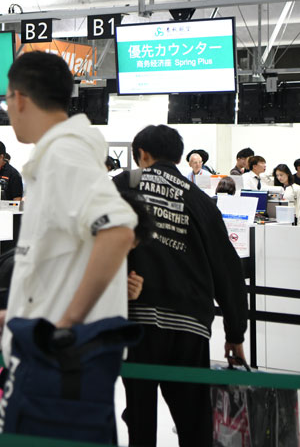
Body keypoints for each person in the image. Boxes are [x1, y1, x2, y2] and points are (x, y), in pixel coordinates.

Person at [0, 52, 138, 372]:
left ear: (21, 99)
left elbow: (118, 231)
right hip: (52, 360)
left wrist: (66, 325)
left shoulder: (64, 154)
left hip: (61, 367)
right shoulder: (54, 157)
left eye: (7, 100)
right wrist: (19, 314)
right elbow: (61, 258)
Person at [113, 125, 247, 447]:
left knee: (140, 418)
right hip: (190, 322)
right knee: (193, 420)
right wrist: (235, 333)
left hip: (138, 317)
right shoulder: (200, 200)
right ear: (177, 156)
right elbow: (228, 268)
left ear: (143, 155)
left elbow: (95, 240)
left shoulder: (124, 185)